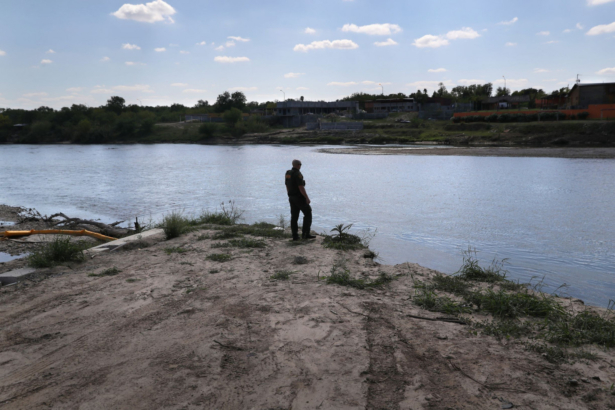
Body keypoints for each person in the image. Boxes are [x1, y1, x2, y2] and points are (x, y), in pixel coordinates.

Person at [285, 159, 315, 240]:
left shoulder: (288, 173)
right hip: (299, 197)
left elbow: (287, 185)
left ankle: (295, 236)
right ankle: (305, 234)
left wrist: (289, 194)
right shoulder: (298, 174)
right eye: (300, 164)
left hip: (291, 197)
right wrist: (307, 198)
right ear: (298, 165)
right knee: (308, 213)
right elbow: (301, 187)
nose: (300, 166)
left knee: (294, 216)